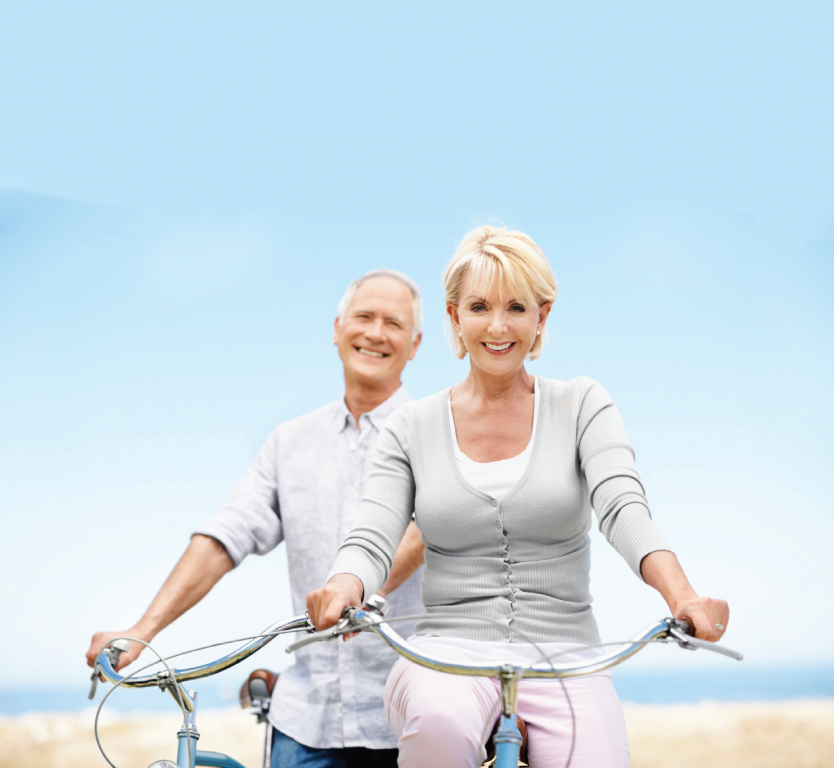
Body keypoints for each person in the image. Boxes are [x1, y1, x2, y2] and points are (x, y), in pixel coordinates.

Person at [307, 226, 731, 768]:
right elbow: (371, 536)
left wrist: (682, 597)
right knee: (438, 728)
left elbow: (624, 508)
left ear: (542, 317)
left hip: (567, 653)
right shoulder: (411, 426)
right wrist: (344, 586)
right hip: (444, 653)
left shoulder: (582, 404)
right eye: (480, 306)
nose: (499, 325)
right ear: (455, 317)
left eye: (517, 307)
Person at [85, 269, 428, 768]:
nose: (376, 332)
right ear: (337, 329)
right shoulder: (290, 441)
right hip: (307, 718)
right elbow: (227, 535)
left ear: (415, 344)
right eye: (364, 317)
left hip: (408, 712)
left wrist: (356, 589)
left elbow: (426, 531)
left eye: (393, 323)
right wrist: (143, 629)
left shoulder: (435, 429)